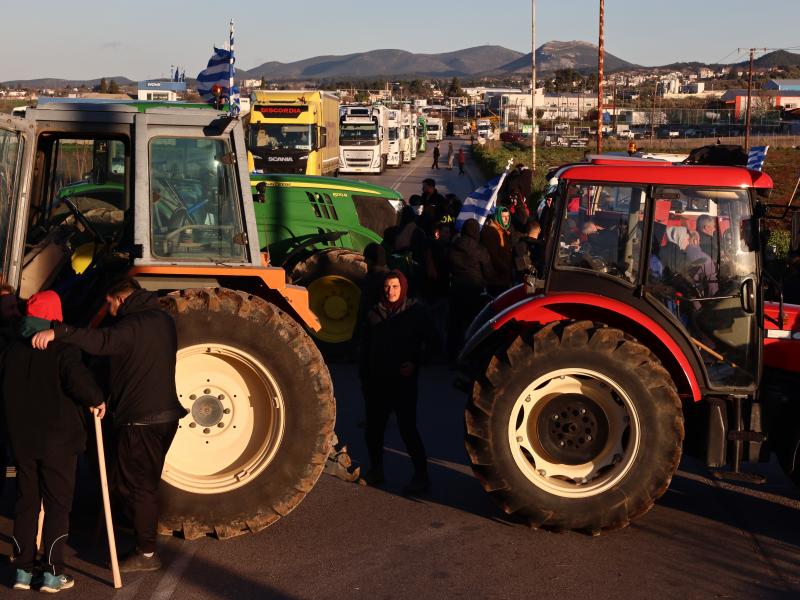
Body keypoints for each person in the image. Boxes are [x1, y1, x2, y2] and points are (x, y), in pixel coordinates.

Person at [32, 279, 187, 573]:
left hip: (141, 420)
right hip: (166, 418)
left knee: (139, 487)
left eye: (110, 304)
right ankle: (132, 533)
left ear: (120, 298)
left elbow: (102, 342)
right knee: (138, 480)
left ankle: (146, 553)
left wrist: (60, 332)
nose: (109, 309)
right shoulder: (162, 320)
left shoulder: (131, 326)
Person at [3, 291, 106, 593]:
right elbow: (79, 382)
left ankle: (22, 569)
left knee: (26, 502)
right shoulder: (63, 348)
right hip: (58, 442)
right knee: (58, 505)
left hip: (22, 440)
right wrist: (97, 399)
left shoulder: (11, 349)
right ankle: (51, 572)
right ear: (54, 316)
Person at [359, 271, 435, 495]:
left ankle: (421, 476)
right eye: (387, 287)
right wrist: (364, 379)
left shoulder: (416, 312)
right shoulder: (373, 313)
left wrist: (415, 363)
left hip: (403, 382)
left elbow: (432, 344)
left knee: (408, 429)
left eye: (395, 287)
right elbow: (363, 349)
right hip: (376, 382)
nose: (390, 292)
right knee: (374, 429)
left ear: (403, 288)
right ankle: (376, 470)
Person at [447, 219, 495, 359]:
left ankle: (452, 356)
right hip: (475, 291)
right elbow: (489, 271)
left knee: (454, 325)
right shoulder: (480, 250)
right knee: (473, 325)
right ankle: (471, 356)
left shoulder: (453, 247)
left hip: (456, 290)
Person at [480, 207, 514, 294]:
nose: (506, 219)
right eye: (503, 216)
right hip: (496, 277)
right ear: (498, 217)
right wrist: (505, 268)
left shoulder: (504, 230)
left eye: (508, 216)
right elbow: (492, 255)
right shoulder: (491, 231)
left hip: (503, 276)